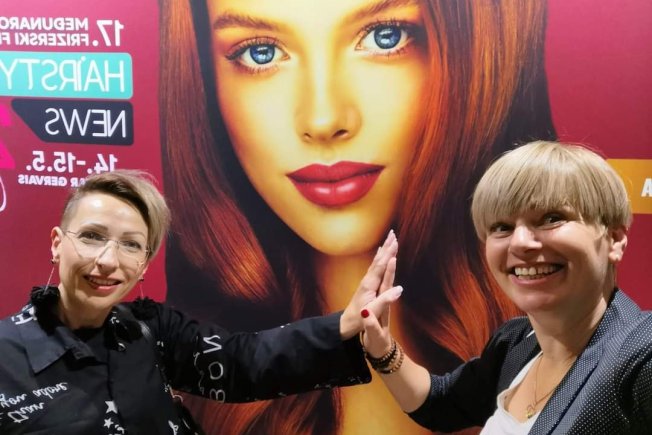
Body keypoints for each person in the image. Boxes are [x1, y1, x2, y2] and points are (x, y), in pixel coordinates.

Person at [159, 1, 555, 433]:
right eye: (261, 52)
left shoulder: (544, 348)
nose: (324, 120)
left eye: (386, 37)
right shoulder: (176, 364)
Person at [0, 169, 403, 434]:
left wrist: (344, 324)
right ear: (57, 243)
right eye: (91, 237)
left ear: (144, 265)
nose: (108, 261)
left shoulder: (149, 330)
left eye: (131, 245)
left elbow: (243, 361)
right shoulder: (5, 356)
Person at [360, 141, 651, 434]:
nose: (520, 243)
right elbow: (441, 403)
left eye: (551, 218)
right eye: (502, 227)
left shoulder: (642, 357)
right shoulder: (514, 342)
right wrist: (383, 349)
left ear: (615, 239)